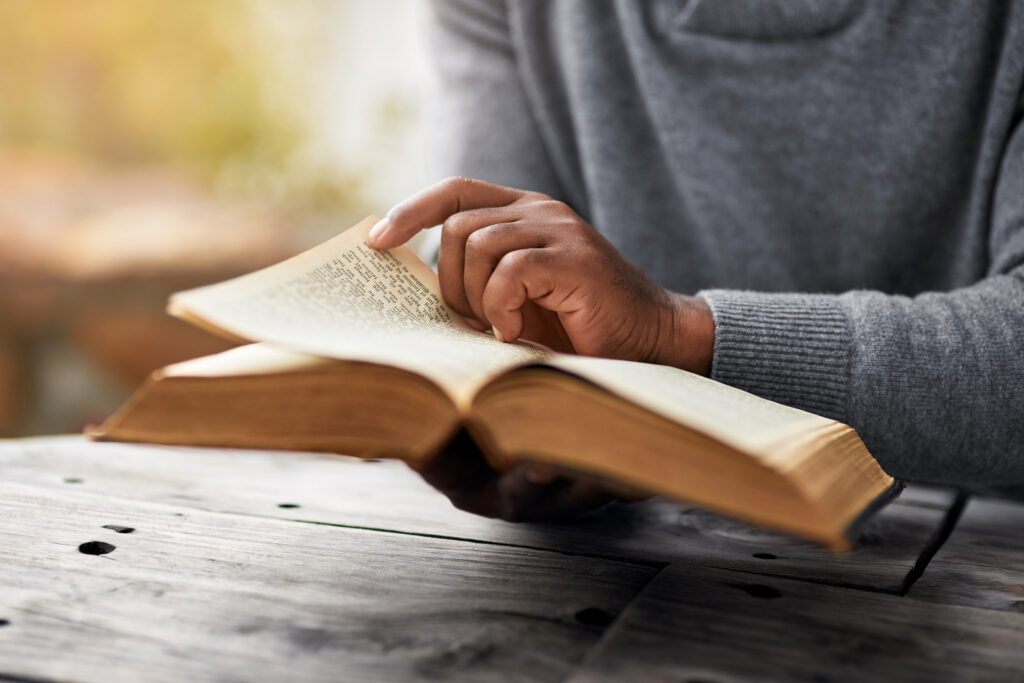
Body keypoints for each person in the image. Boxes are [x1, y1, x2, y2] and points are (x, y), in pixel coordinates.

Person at [367, 0, 1024, 521]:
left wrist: (676, 338)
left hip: (979, 561)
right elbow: (493, 266)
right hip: (649, 550)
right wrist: (506, 420)